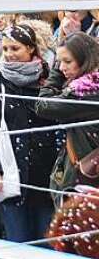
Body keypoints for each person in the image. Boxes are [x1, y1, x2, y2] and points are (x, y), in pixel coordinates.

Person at [0, 24, 64, 243]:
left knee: (48, 243)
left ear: (30, 48)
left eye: (15, 48)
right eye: (5, 48)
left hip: (46, 174)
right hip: (10, 172)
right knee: (18, 243)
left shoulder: (49, 77)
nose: (9, 54)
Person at [37, 32, 99, 204]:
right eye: (59, 61)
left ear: (85, 60)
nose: (63, 67)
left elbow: (42, 106)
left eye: (67, 61)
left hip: (84, 180)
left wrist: (55, 72)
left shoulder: (86, 92)